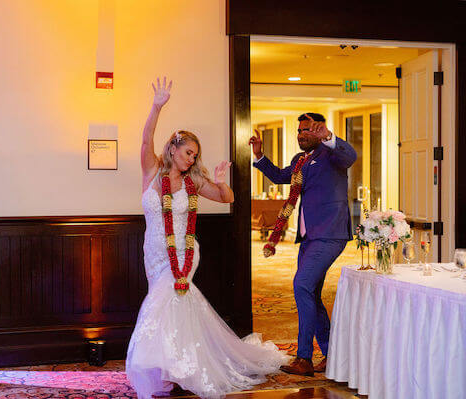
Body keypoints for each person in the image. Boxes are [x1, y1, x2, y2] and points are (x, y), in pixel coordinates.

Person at [126, 77, 289, 399]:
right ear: (173, 148)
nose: (190, 159)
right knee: (174, 308)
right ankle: (173, 367)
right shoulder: (150, 172)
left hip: (185, 254)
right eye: (187, 152)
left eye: (194, 155)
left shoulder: (194, 182)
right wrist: (157, 106)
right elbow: (146, 140)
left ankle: (165, 366)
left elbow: (226, 197)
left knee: (162, 304)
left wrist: (218, 179)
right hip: (155, 250)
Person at [249, 113, 357, 376]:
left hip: (330, 234)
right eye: (299, 131)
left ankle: (304, 358)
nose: (301, 135)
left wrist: (330, 138)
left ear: (318, 131)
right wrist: (259, 155)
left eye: (307, 130)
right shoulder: (300, 160)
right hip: (309, 238)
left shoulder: (332, 154)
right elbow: (278, 176)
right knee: (310, 293)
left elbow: (350, 156)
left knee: (301, 285)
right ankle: (332, 356)